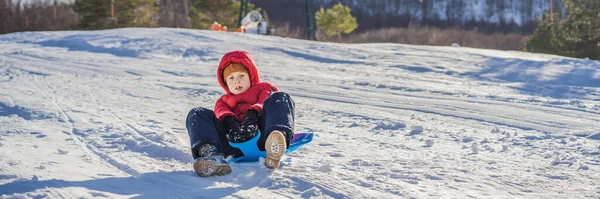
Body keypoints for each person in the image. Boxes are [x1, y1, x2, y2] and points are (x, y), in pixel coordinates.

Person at [185, 50, 295, 177]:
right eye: (231, 78)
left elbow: (265, 100)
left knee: (281, 98)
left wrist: (254, 113)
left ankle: (277, 139)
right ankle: (211, 154)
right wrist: (229, 121)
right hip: (232, 145)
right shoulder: (222, 101)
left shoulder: (264, 88)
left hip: (263, 139)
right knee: (197, 113)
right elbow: (220, 112)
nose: (237, 81)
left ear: (251, 75)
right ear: (225, 83)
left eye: (241, 76)